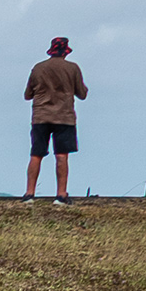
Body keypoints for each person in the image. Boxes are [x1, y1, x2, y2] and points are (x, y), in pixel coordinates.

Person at [23, 37, 87, 200]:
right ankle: (61, 194)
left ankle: (30, 193)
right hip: (63, 117)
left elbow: (28, 95)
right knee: (61, 156)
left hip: (40, 116)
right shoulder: (72, 68)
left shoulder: (38, 68)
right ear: (66, 52)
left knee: (36, 154)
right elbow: (82, 94)